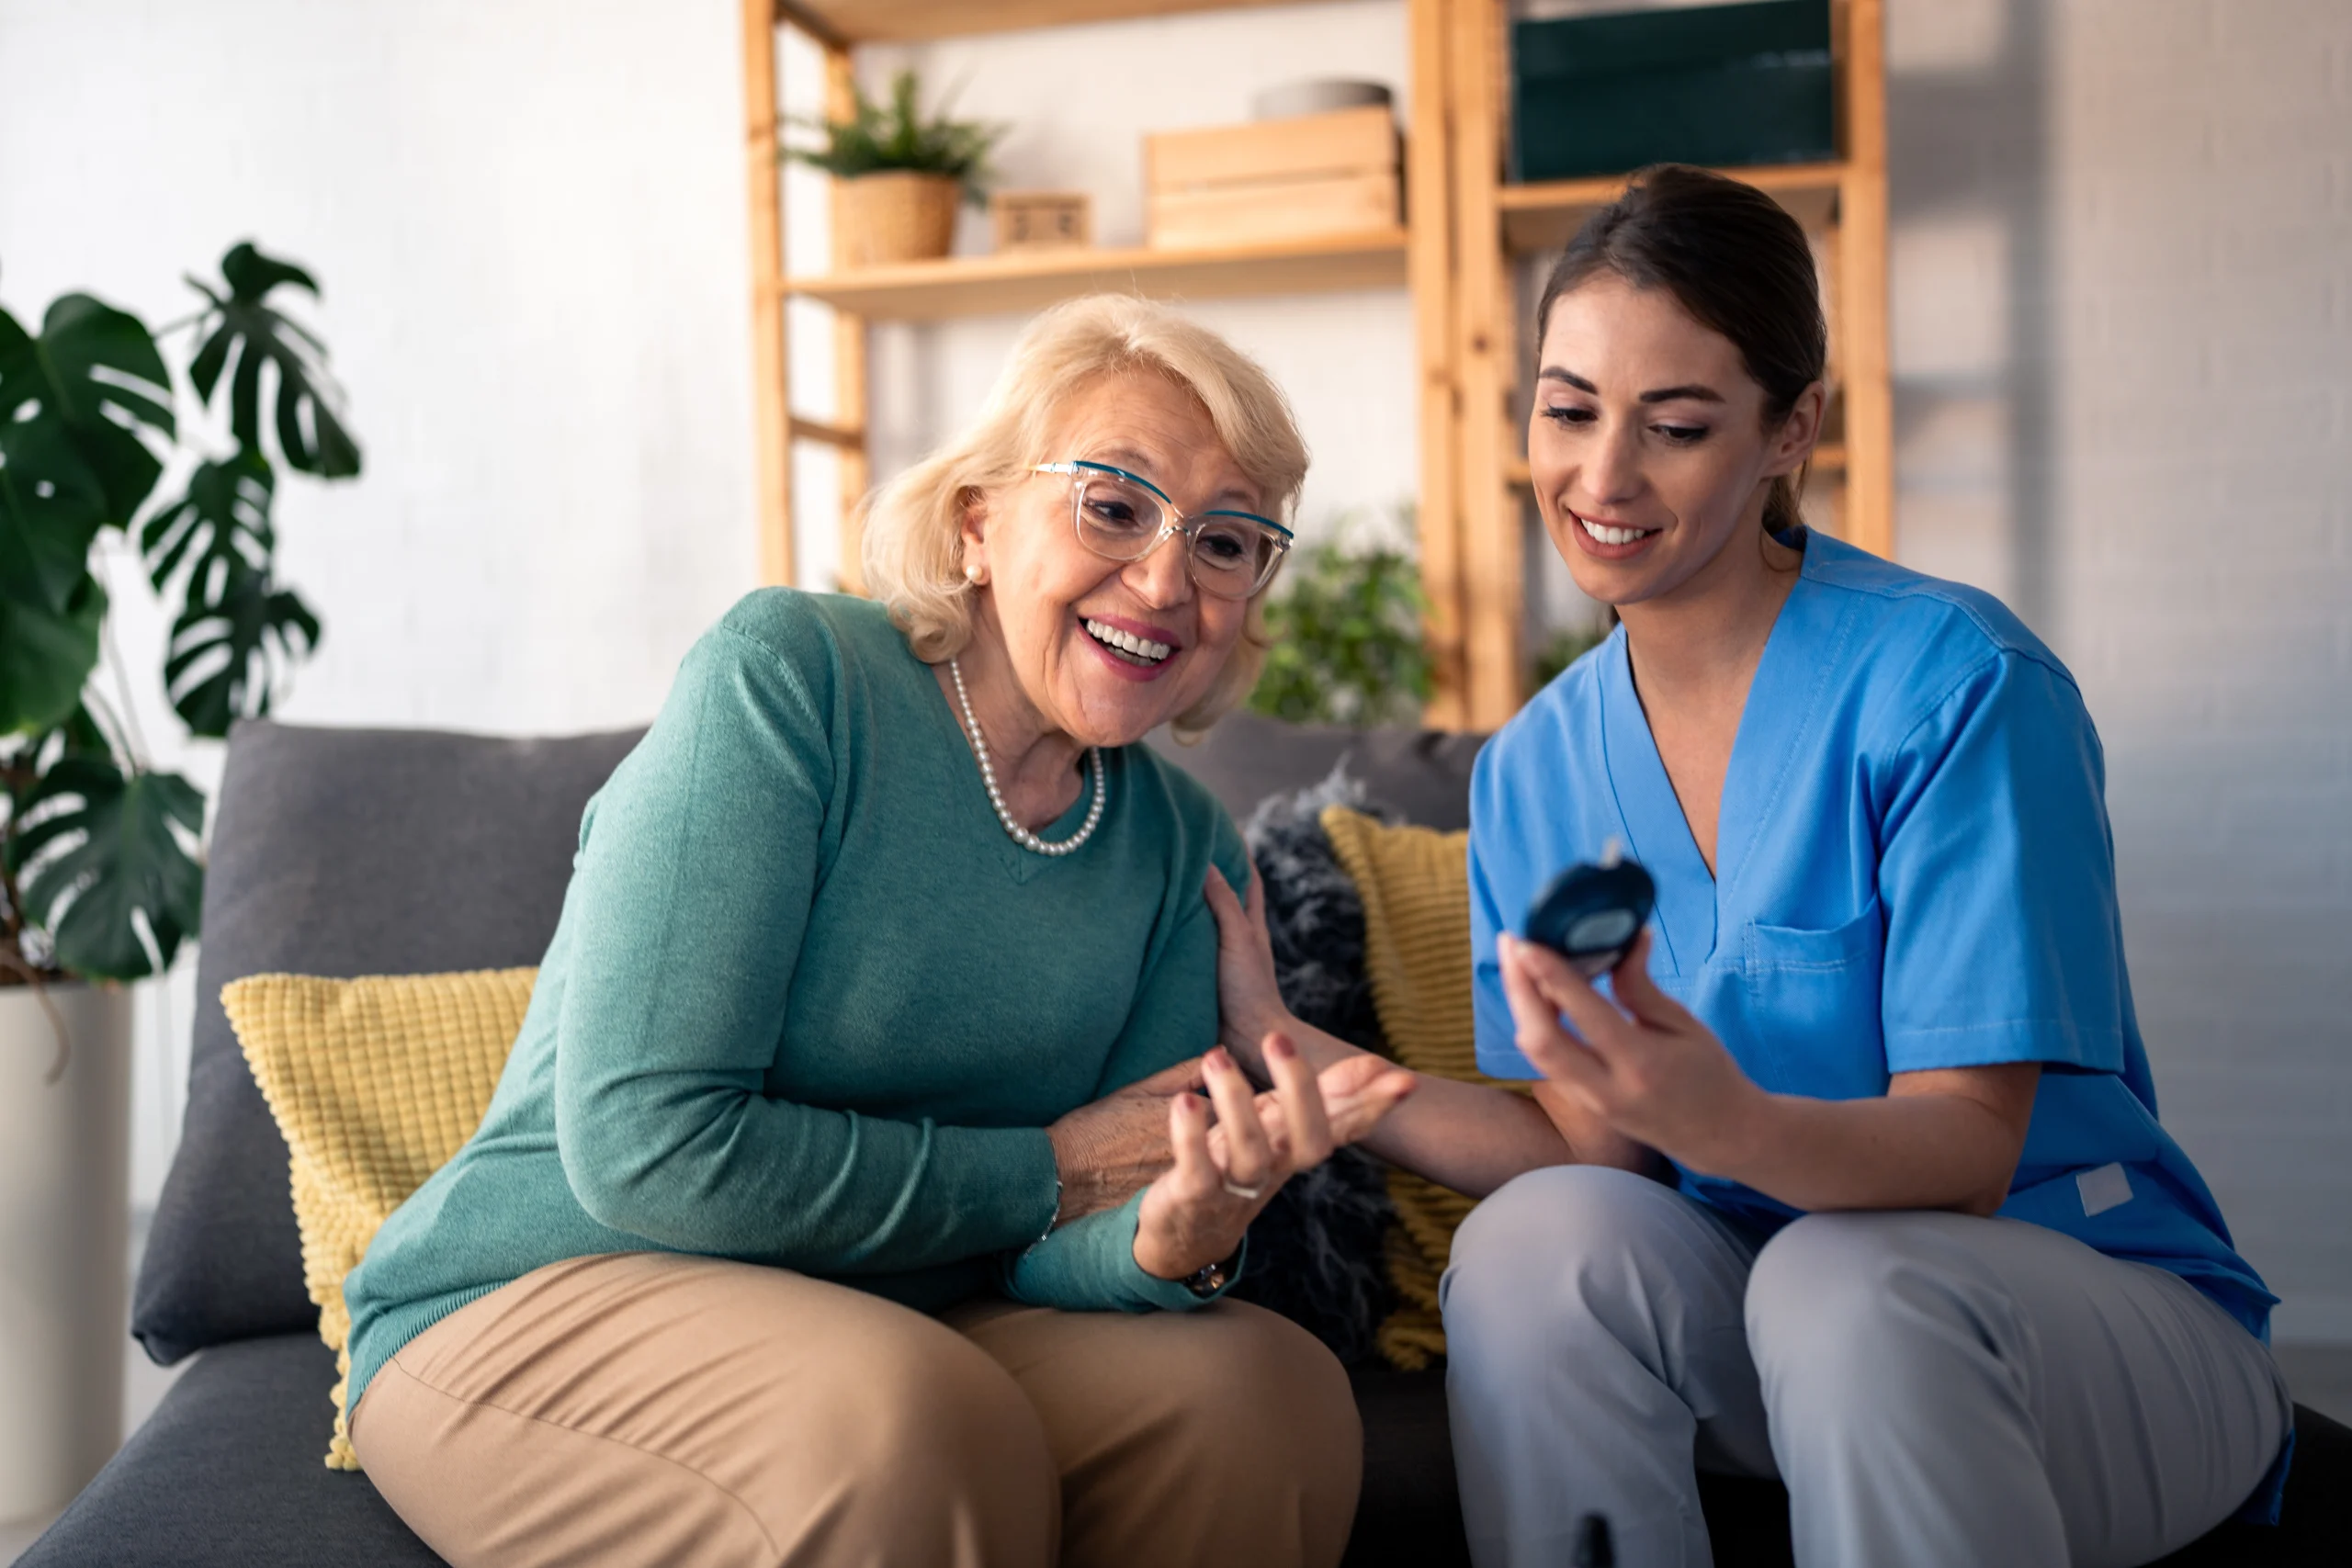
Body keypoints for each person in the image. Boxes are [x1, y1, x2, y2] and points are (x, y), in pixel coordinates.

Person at [1204, 165, 2290, 1568]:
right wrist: (1310, 1059)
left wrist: (1717, 1116)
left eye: (1677, 425)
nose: (1602, 478)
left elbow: (1964, 1154)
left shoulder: (1957, 685)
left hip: (2083, 1320)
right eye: (1569, 408)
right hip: (1782, 1319)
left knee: (1849, 1281)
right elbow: (1596, 1147)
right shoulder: (1539, 766)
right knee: (1541, 1241)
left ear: (1792, 430)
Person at [340, 294, 1415, 1568]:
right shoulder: (790, 677)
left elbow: (1068, 1237)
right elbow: (646, 1144)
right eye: (1114, 506)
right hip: (549, 1289)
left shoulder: (1183, 841)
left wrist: (1168, 1239)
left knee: (1263, 1393)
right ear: (978, 520)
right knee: (909, 1418)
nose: (1168, 579)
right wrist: (1054, 1166)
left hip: (909, 1317)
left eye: (1228, 541)